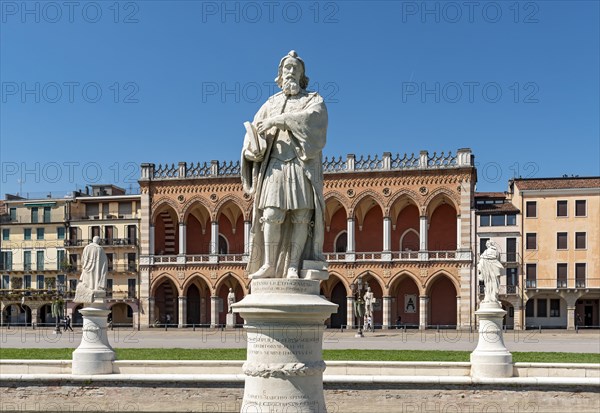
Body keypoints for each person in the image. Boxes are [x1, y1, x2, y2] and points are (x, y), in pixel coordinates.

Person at [241, 50, 328, 279]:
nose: (290, 71)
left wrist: (280, 120)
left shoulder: (313, 100)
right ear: (280, 74)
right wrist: (252, 148)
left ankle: (292, 265)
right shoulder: (270, 103)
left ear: (302, 75)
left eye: (295, 68)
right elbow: (252, 135)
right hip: (275, 166)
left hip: (300, 165)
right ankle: (269, 264)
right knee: (270, 214)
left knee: (301, 215)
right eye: (286, 68)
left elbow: (314, 122)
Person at [74, 236, 108, 303]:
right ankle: (94, 290)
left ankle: (90, 291)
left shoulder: (86, 248)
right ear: (98, 241)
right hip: (96, 269)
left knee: (88, 283)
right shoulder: (100, 248)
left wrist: (85, 265)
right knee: (95, 281)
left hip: (87, 269)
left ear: (93, 240)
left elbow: (82, 259)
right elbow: (104, 262)